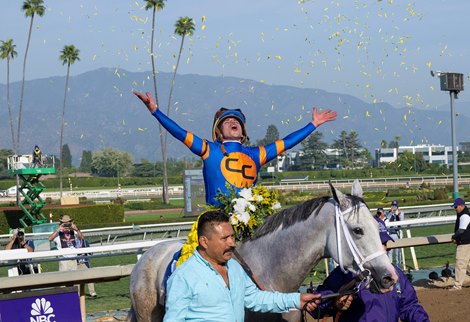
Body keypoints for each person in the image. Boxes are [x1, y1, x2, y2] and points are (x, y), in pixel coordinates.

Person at [134, 91, 337, 206]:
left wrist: (313, 125)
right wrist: (155, 111)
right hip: (215, 223)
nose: (233, 121)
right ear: (219, 133)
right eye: (227, 120)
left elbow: (288, 141)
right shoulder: (208, 149)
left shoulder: (257, 154)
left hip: (250, 219)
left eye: (236, 120)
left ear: (243, 132)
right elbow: (178, 132)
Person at [163, 210, 321, 321]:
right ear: (204, 241)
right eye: (225, 238)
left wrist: (297, 300)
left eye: (232, 236)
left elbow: (256, 298)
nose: (232, 243)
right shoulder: (183, 277)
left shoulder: (234, 267)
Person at [311, 218, 430, 322]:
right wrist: (335, 304)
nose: (383, 249)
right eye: (377, 243)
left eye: (384, 243)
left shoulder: (396, 274)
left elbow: (409, 306)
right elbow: (316, 308)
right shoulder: (344, 274)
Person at [450, 197, 470, 290]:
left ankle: (457, 285)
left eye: (456, 207)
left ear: (462, 206)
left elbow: (461, 230)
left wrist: (454, 237)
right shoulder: (463, 214)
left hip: (465, 243)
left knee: (460, 263)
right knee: (468, 264)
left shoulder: (464, 215)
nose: (455, 209)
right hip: (467, 242)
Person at [386, 200, 404, 265]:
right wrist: (391, 213)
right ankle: (390, 265)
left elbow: (401, 224)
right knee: (389, 252)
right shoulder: (388, 213)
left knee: (398, 252)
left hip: (397, 234)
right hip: (390, 234)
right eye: (393, 205)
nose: (394, 207)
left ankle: (398, 266)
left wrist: (398, 215)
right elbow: (387, 221)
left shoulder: (401, 213)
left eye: (395, 206)